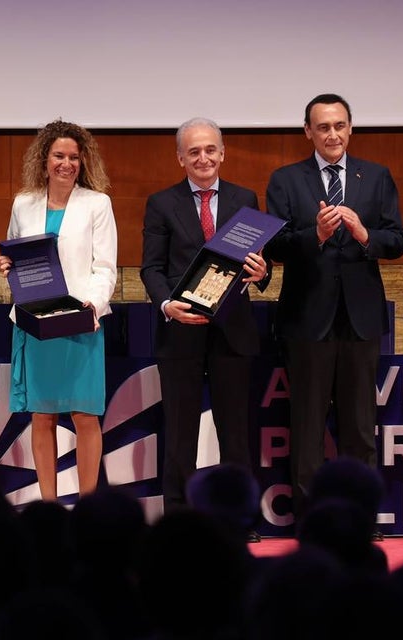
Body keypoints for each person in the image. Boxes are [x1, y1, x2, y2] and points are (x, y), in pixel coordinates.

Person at [265, 93, 403, 517]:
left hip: (360, 320)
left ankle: (360, 519)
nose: (332, 134)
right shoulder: (286, 179)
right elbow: (274, 244)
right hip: (307, 319)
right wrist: (318, 236)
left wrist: (365, 235)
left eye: (339, 125)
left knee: (360, 429)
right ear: (308, 131)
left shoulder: (376, 176)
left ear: (351, 128)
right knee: (307, 429)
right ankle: (311, 522)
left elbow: (398, 239)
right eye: (323, 127)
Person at [140, 117, 270, 514]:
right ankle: (179, 515)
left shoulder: (245, 198)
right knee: (180, 433)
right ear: (181, 158)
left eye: (210, 149)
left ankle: (240, 515)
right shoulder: (162, 203)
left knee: (236, 433)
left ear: (222, 153)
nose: (203, 158)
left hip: (234, 331)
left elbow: (259, 260)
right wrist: (166, 305)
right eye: (194, 151)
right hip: (180, 332)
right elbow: (151, 268)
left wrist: (262, 274)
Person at [0, 120, 117, 501]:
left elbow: (105, 268)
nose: (66, 164)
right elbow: (16, 258)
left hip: (81, 323)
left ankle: (88, 506)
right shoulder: (23, 203)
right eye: (59, 156)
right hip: (37, 325)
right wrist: (8, 267)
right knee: (42, 416)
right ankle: (47, 505)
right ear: (44, 159)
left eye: (73, 158)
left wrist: (92, 305)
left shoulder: (98, 203)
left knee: (85, 416)